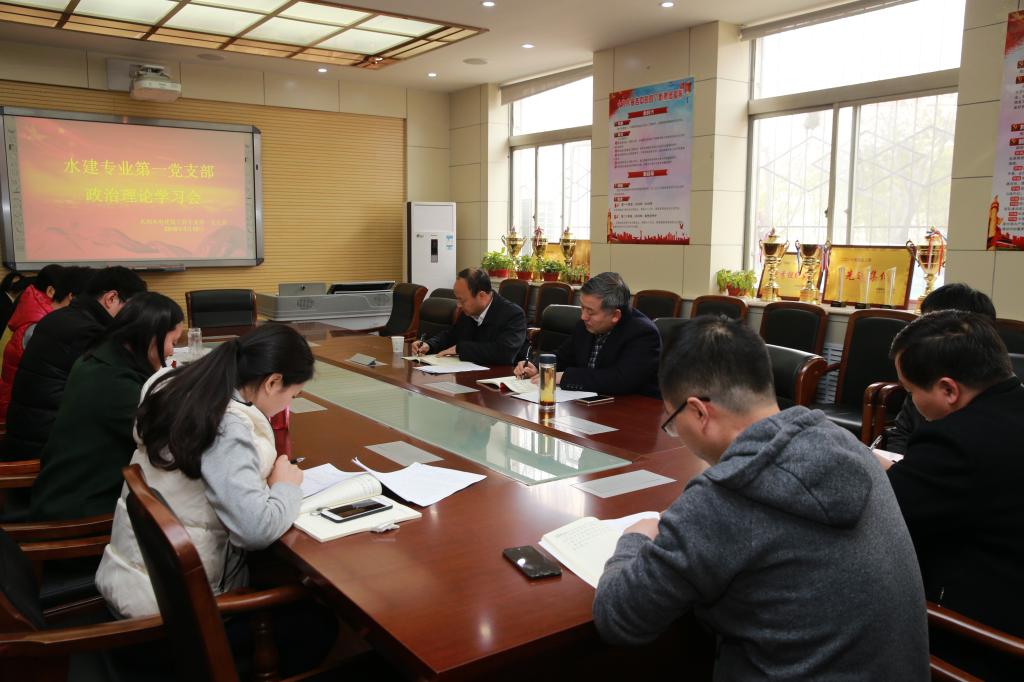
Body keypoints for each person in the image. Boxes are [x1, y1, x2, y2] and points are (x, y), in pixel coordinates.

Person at [592, 316, 929, 679]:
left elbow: (619, 618)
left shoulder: (725, 496)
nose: (675, 432)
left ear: (699, 412)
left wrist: (635, 539)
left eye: (672, 422)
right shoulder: (848, 445)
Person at [96, 323, 312, 619]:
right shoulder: (225, 425)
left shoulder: (180, 388)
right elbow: (255, 530)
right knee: (316, 616)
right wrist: (285, 486)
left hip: (134, 582)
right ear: (273, 382)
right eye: (294, 395)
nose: (289, 405)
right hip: (180, 613)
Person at [882, 310, 1024, 679]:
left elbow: (884, 517)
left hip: (985, 637)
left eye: (911, 391)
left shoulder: (955, 442)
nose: (911, 401)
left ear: (948, 390)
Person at [28, 292, 184, 521]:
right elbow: (169, 436)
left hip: (63, 491)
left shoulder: (98, 359)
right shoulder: (115, 383)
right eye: (173, 343)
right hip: (84, 508)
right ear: (151, 337)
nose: (171, 352)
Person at [3, 266, 146, 459]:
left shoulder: (60, 317)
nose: (134, 317)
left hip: (30, 433)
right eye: (132, 309)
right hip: (49, 446)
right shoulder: (88, 332)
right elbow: (112, 391)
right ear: (111, 298)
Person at [885, 283, 997, 453]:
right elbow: (902, 433)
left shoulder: (990, 399)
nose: (919, 334)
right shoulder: (924, 377)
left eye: (928, 325)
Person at [514, 272, 661, 396]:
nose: (583, 316)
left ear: (615, 315)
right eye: (582, 308)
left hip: (629, 410)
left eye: (590, 311)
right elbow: (563, 356)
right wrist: (537, 366)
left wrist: (566, 377)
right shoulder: (585, 325)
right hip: (585, 403)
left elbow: (621, 379)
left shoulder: (642, 333)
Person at [410, 268, 527, 365]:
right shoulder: (469, 311)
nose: (458, 305)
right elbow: (452, 335)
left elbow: (504, 353)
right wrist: (429, 344)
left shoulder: (513, 315)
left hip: (498, 379)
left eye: (462, 300)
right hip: (467, 374)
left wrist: (460, 349)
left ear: (481, 296)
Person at [0, 264, 65, 420]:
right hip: (16, 408)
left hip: (10, 398)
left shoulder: (28, 305)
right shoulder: (38, 323)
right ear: (51, 291)